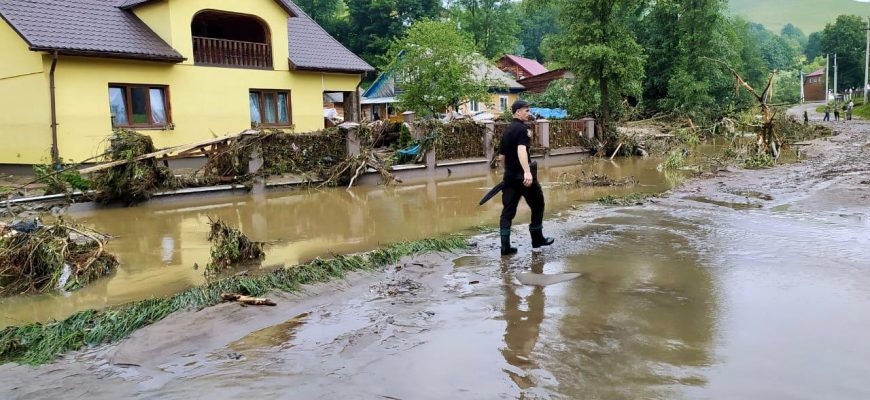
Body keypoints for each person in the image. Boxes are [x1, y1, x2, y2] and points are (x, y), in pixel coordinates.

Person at [498, 100, 554, 256]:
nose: (529, 113)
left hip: (509, 179)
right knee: (538, 204)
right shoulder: (523, 129)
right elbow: (521, 150)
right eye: (526, 110)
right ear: (517, 112)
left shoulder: (506, 131)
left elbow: (501, 157)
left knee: (507, 212)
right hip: (524, 178)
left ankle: (505, 248)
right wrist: (527, 172)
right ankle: (537, 240)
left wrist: (507, 172)